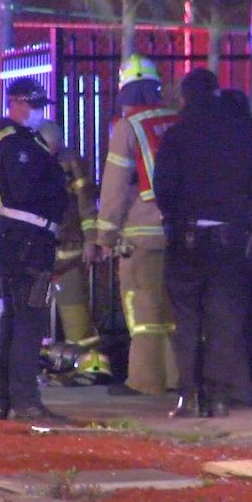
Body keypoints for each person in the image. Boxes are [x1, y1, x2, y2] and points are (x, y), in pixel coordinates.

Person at [153, 69, 252, 418]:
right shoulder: (246, 133)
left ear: (185, 97)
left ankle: (189, 396)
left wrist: (176, 221)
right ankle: (219, 397)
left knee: (187, 318)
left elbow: (164, 190)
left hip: (187, 239)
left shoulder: (177, 136)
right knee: (224, 318)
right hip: (230, 239)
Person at [0, 77, 70, 424]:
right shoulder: (17, 146)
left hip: (15, 237)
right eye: (34, 105)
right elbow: (32, 189)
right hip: (27, 239)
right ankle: (25, 401)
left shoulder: (4, 141)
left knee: (13, 319)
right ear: (16, 102)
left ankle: (2, 400)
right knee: (29, 321)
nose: (38, 113)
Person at [95, 54, 180, 397]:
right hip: (181, 230)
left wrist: (105, 235)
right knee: (174, 308)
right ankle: (178, 377)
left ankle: (145, 380)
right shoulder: (177, 119)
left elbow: (114, 187)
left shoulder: (128, 126)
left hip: (143, 233)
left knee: (142, 307)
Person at [220, 88, 252, 407]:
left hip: (228, 235)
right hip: (251, 235)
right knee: (247, 310)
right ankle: (249, 381)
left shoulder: (222, 140)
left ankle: (236, 386)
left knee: (227, 311)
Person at [38, 120, 100, 345]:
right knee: (32, 315)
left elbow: (87, 204)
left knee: (75, 310)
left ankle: (87, 363)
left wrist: (91, 241)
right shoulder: (26, 164)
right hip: (37, 252)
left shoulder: (71, 162)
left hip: (69, 249)